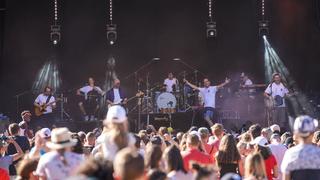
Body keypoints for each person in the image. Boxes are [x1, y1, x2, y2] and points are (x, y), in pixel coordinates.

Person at [281, 115, 320, 180]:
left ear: (296, 133)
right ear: (312, 133)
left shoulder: (290, 154)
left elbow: (286, 178)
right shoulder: (318, 153)